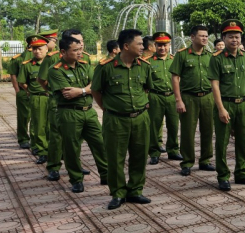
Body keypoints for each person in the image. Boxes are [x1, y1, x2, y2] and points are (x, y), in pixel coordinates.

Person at [92, 29, 153, 210]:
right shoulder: (106, 67)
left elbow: (147, 88)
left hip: (140, 118)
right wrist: (108, 108)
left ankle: (135, 190)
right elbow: (96, 91)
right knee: (115, 158)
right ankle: (118, 193)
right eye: (139, 44)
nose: (143, 47)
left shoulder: (144, 66)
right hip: (116, 120)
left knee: (140, 156)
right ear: (126, 46)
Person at [49, 35, 108, 193]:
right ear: (63, 51)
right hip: (69, 113)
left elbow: (95, 85)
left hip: (89, 112)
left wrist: (81, 90)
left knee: (100, 143)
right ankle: (76, 179)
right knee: (72, 148)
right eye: (75, 50)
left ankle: (106, 174)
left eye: (80, 49)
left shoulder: (85, 65)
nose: (79, 53)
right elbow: (67, 93)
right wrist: (87, 89)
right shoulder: (55, 71)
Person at [209, 19, 245, 191]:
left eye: (237, 37)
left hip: (244, 104)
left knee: (242, 141)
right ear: (224, 38)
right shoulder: (216, 59)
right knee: (222, 142)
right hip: (226, 104)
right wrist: (221, 108)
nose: (235, 40)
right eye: (231, 37)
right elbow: (214, 84)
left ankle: (241, 173)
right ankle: (223, 176)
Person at [170, 25, 213, 176]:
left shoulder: (210, 55)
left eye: (206, 36)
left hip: (208, 97)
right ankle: (187, 162)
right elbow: (175, 78)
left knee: (208, 129)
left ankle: (205, 160)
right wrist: (178, 100)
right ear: (192, 37)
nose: (205, 39)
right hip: (188, 97)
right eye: (201, 36)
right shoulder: (182, 55)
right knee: (188, 131)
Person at [146, 32, 179, 164]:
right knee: (154, 126)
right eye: (159, 45)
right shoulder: (148, 62)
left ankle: (173, 150)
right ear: (155, 45)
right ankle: (154, 152)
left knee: (174, 125)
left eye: (165, 45)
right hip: (155, 96)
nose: (162, 48)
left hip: (172, 96)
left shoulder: (175, 60)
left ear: (169, 45)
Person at [18, 36, 48, 163]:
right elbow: (21, 82)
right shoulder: (27, 65)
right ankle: (41, 151)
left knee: (51, 126)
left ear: (46, 49)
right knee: (38, 125)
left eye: (39, 49)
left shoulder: (53, 63)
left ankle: (51, 149)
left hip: (51, 97)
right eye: (34, 49)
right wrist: (29, 91)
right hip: (37, 97)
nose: (37, 51)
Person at [9, 35, 34, 149]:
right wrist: (18, 90)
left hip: (37, 91)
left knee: (35, 117)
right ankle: (23, 138)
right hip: (23, 91)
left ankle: (34, 139)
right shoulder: (18, 59)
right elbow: (13, 74)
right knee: (24, 116)